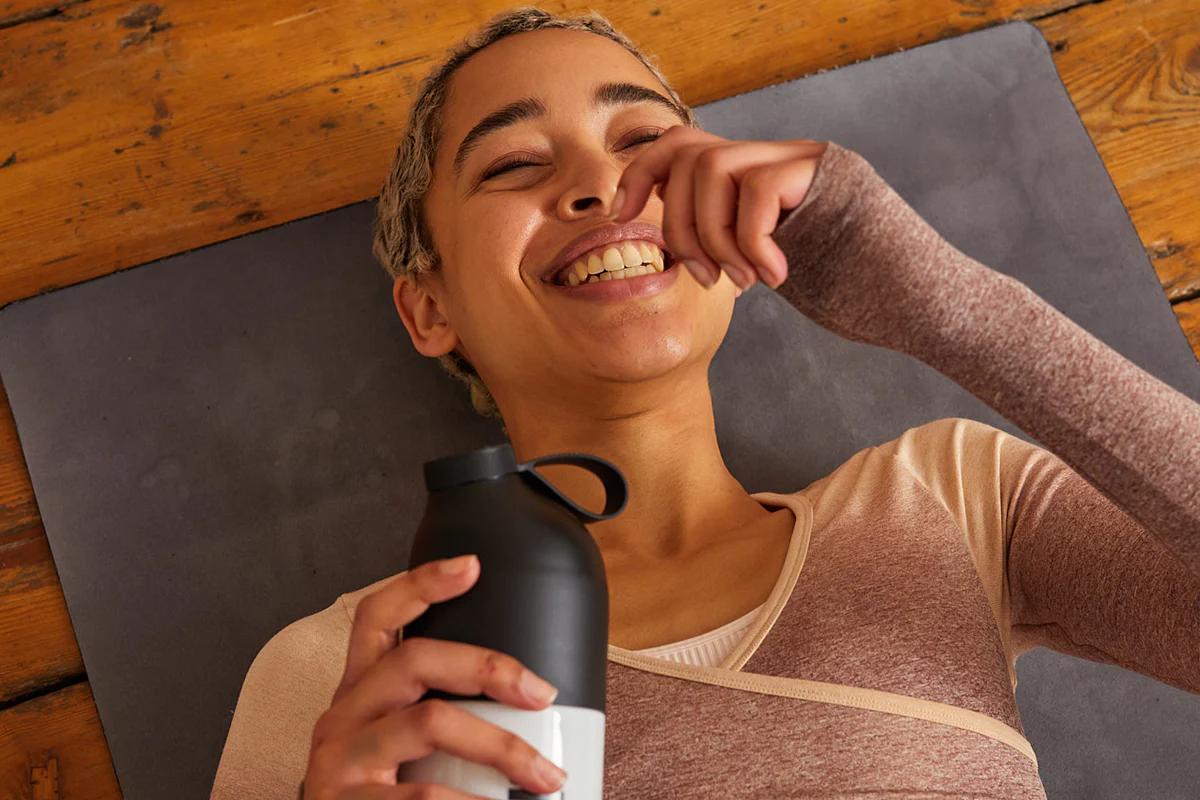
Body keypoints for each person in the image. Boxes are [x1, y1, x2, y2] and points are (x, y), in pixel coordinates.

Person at [211, 7, 1200, 799]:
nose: (602, 183)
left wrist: (939, 301)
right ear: (429, 308)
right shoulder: (350, 663)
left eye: (644, 142)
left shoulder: (950, 497)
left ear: (730, 233)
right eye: (515, 164)